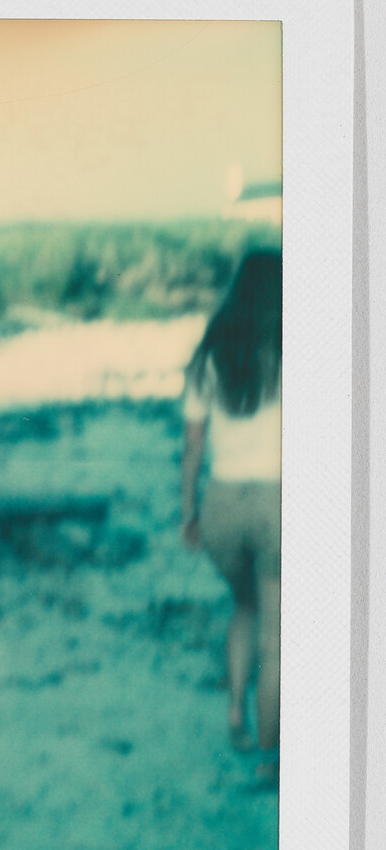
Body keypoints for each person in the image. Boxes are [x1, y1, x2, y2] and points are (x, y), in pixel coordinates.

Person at [179, 250, 282, 788]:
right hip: (274, 502)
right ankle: (269, 759)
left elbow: (193, 444)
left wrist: (187, 512)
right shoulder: (290, 348)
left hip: (220, 501)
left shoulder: (210, 353)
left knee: (243, 606)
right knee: (277, 633)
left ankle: (237, 717)